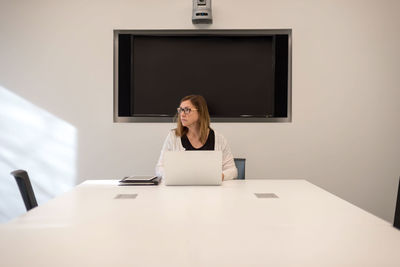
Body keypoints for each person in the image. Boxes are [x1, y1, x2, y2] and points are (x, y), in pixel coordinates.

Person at [156, 95, 238, 180]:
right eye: (180, 110)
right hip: (181, 190)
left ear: (200, 112)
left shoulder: (219, 139)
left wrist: (219, 176)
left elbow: (232, 170)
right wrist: (176, 176)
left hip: (211, 191)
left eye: (187, 110)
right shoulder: (173, 137)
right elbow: (159, 168)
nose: (182, 114)